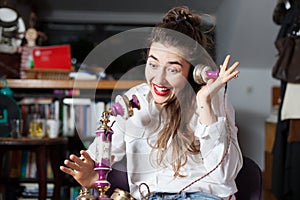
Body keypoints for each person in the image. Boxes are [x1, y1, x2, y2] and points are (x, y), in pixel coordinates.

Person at [60, 6, 243, 200]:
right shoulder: (135, 99)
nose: (159, 79)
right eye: (153, 65)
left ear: (193, 71)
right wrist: (92, 174)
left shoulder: (213, 100)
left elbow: (225, 175)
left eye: (173, 69)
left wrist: (204, 102)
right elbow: (99, 153)